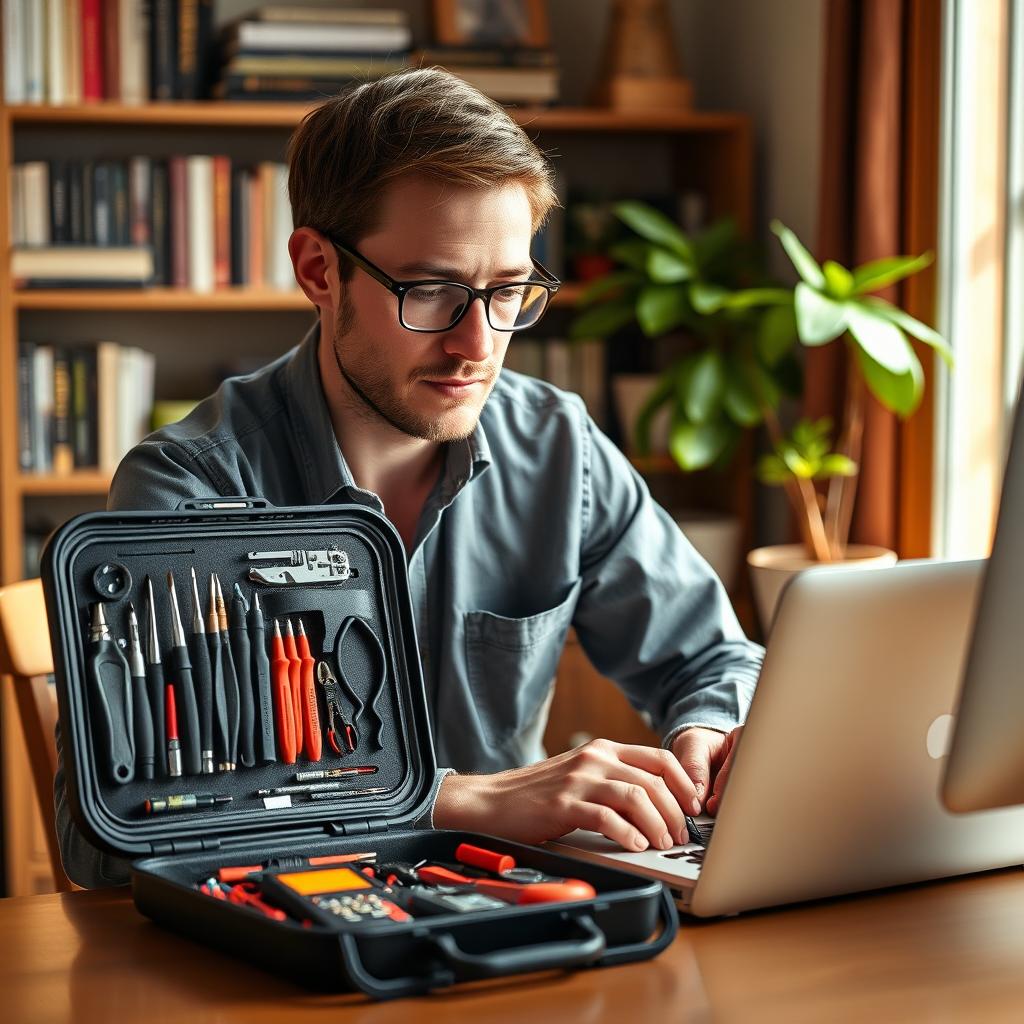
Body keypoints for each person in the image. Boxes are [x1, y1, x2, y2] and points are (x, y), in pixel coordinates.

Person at [54, 68, 764, 888]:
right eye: (432, 292)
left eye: (508, 292)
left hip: (521, 915)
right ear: (320, 271)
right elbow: (102, 845)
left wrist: (707, 739)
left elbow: (711, 660)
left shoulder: (557, 447)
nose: (477, 344)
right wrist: (448, 800)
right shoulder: (189, 490)